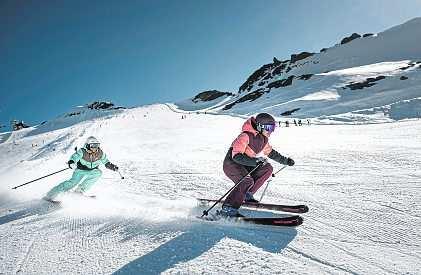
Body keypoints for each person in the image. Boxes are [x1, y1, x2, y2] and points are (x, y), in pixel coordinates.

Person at [219, 113, 295, 217]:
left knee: (267, 168)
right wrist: (255, 161)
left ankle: (246, 194)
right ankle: (228, 208)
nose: (271, 131)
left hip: (246, 164)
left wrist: (286, 161)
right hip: (232, 164)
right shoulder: (245, 136)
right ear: (259, 126)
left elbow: (271, 153)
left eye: (273, 128)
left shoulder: (263, 139)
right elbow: (236, 156)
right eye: (268, 128)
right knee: (246, 180)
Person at [44, 136, 119, 201]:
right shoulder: (82, 151)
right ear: (88, 145)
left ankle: (79, 191)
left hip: (92, 170)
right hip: (80, 171)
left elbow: (105, 161)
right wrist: (71, 162)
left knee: (98, 173)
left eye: (97, 145)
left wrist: (112, 166)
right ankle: (50, 195)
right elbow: (75, 157)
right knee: (72, 183)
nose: (95, 148)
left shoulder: (100, 153)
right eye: (93, 145)